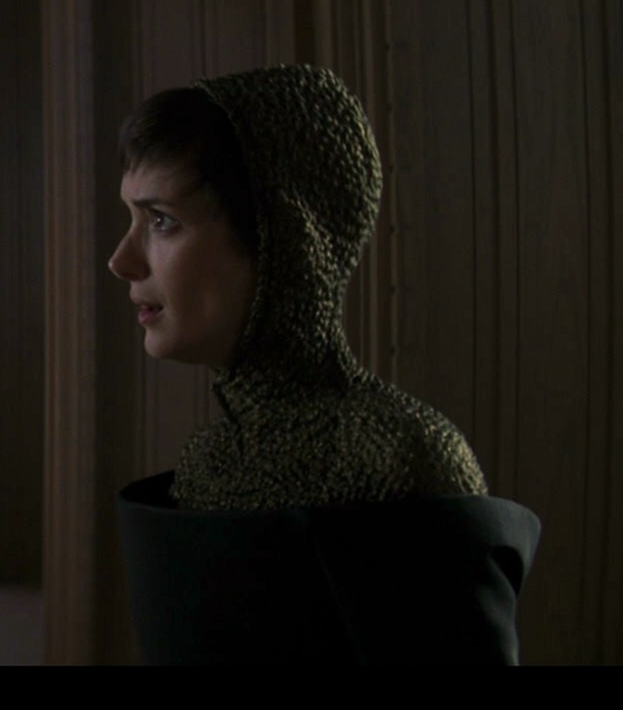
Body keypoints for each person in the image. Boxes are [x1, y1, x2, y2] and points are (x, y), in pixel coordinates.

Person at [107, 65, 540, 664]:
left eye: (162, 221)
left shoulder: (399, 459)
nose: (122, 261)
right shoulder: (210, 461)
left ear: (284, 239)